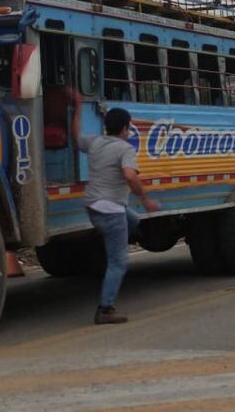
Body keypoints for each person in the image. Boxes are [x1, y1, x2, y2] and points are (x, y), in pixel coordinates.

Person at [71, 91, 161, 324]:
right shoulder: (125, 149)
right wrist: (146, 199)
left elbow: (75, 136)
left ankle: (124, 234)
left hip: (92, 207)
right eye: (128, 127)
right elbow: (130, 175)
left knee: (133, 220)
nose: (129, 131)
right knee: (118, 262)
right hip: (110, 212)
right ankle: (105, 309)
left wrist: (78, 108)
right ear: (124, 128)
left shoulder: (95, 142)